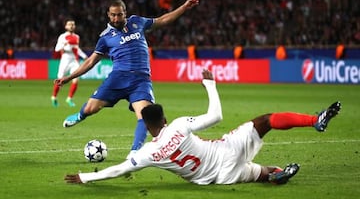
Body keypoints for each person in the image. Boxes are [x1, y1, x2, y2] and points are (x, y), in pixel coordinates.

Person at [64, 69, 341, 185]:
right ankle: (314, 121)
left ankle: (275, 174)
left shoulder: (148, 152)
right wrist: (210, 84)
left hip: (217, 178)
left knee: (259, 174)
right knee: (266, 120)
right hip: (225, 152)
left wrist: (86, 177)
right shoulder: (179, 125)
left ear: (148, 129)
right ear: (164, 120)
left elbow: (119, 169)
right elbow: (216, 115)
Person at [55, 0, 200, 157]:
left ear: (125, 13)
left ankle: (134, 153)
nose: (116, 18)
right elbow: (90, 62)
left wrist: (184, 7)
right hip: (117, 78)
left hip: (141, 80)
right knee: (90, 108)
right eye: (113, 15)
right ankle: (80, 115)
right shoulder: (105, 37)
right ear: (108, 15)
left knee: (144, 116)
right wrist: (68, 78)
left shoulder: (137, 22)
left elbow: (163, 20)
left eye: (119, 15)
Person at [51, 19, 88, 107]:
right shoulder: (62, 37)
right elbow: (56, 49)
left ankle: (69, 98)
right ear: (66, 27)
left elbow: (77, 49)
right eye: (69, 24)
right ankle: (54, 97)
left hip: (74, 60)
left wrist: (84, 56)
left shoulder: (77, 37)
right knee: (60, 79)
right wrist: (64, 43)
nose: (71, 26)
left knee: (76, 79)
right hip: (65, 59)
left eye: (73, 24)